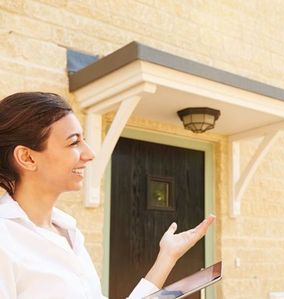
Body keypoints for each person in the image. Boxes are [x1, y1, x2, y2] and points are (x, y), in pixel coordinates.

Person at [0, 91, 216, 299]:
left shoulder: (67, 231)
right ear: (27, 157)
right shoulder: (5, 239)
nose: (90, 153)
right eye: (74, 142)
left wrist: (167, 257)